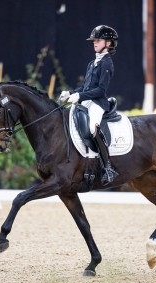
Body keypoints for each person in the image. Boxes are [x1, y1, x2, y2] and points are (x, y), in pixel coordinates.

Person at [59, 25, 119, 185]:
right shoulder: (92, 63)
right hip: (87, 99)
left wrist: (80, 96)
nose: (94, 43)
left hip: (98, 102)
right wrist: (71, 93)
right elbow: (85, 88)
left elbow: (100, 90)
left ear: (108, 43)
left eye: (98, 40)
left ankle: (108, 167)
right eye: (94, 40)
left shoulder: (107, 63)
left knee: (93, 127)